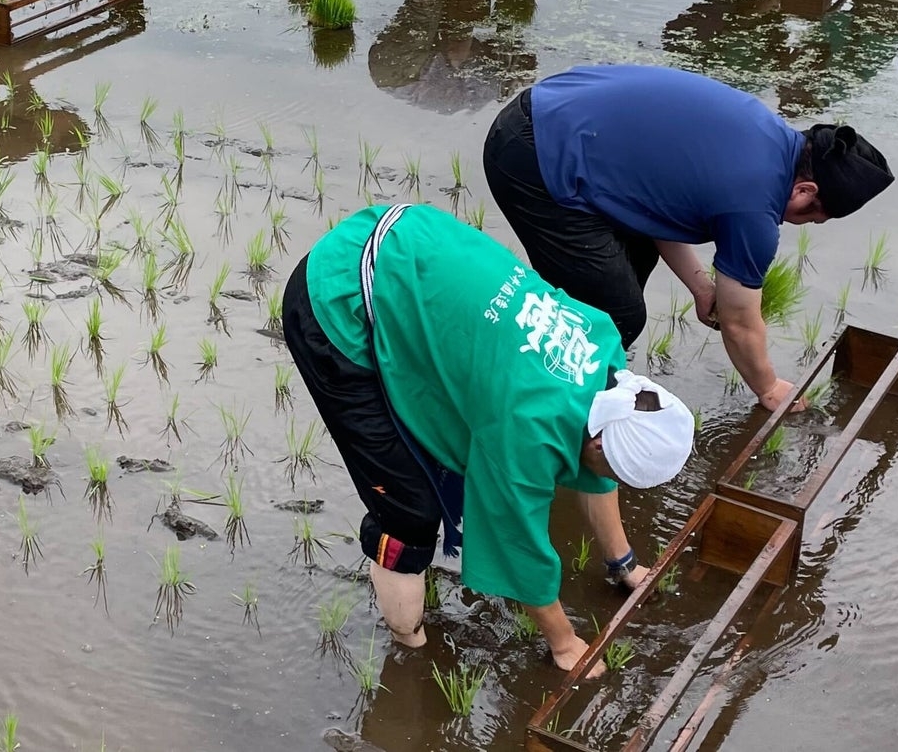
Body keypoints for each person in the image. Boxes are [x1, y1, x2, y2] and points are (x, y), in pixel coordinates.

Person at [282, 202, 694, 668]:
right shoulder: (526, 431)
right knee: (409, 511)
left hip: (416, 247)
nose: (606, 475)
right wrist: (564, 644)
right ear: (599, 443)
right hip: (337, 297)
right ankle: (408, 652)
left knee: (441, 432)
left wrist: (623, 564)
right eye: (612, 465)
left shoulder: (605, 353)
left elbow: (598, 470)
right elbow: (518, 545)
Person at [483, 65, 894, 412]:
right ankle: (544, 405)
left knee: (623, 274)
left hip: (552, 110)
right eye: (813, 219)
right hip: (533, 157)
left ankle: (570, 377)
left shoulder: (768, 135)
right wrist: (769, 388)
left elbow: (657, 207)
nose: (804, 226)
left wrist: (701, 286)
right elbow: (739, 322)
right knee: (615, 314)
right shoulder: (754, 205)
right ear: (805, 192)